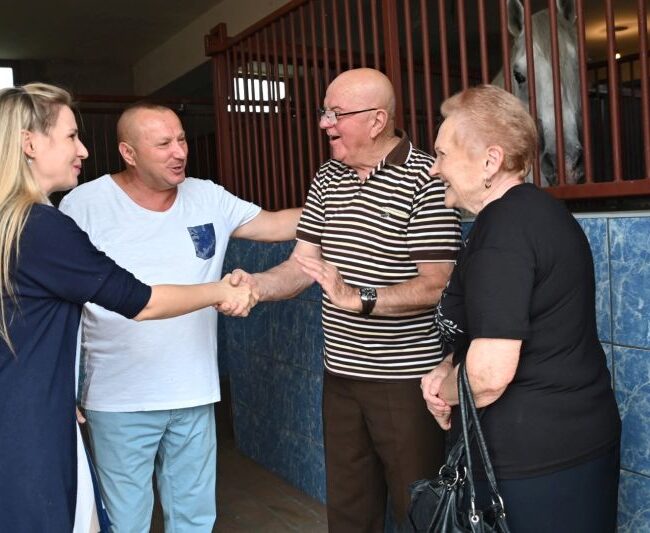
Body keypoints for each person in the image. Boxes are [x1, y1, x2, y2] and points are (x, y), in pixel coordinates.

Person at [0, 84, 255, 532]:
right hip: (30, 418)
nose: (83, 149)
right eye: (71, 136)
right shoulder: (41, 226)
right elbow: (139, 301)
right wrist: (219, 291)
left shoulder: (14, 223)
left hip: (31, 405)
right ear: (29, 144)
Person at [223, 68, 462, 532]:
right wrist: (255, 285)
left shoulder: (426, 177)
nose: (324, 123)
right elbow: (303, 264)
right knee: (350, 510)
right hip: (341, 375)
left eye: (336, 114)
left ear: (377, 120)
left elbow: (437, 284)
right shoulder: (328, 176)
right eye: (324, 111)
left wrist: (359, 298)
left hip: (406, 380)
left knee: (419, 510)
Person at [59, 102, 301, 532]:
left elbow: (277, 224)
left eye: (182, 139)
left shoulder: (207, 196)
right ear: (129, 153)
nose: (179, 152)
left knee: (194, 519)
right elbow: (61, 302)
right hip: (119, 398)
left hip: (194, 392)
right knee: (125, 521)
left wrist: (350, 203)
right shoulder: (85, 205)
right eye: (164, 144)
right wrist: (63, 386)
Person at [420, 84, 621, 532]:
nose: (434, 169)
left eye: (442, 154)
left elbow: (490, 375)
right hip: (576, 442)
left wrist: (440, 391)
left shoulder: (503, 231)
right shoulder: (539, 212)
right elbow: (499, 324)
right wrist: (449, 366)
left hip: (532, 462)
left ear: (490, 161)